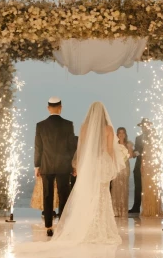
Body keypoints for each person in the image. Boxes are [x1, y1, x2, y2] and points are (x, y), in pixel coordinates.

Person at [49, 102, 124, 245]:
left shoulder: (84, 127)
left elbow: (81, 148)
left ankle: (85, 227)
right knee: (102, 194)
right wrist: (111, 166)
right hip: (102, 164)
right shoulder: (108, 129)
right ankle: (101, 228)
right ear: (103, 114)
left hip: (89, 165)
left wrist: (79, 165)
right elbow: (109, 150)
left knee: (88, 194)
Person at [34, 97, 76, 236]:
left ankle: (48, 226)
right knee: (64, 195)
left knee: (47, 195)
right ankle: (62, 225)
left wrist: (37, 166)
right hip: (63, 165)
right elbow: (72, 147)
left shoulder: (40, 125)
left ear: (48, 108)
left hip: (46, 164)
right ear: (60, 107)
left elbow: (38, 148)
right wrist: (74, 165)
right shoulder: (68, 124)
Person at [110, 127, 133, 217]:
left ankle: (123, 210)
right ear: (117, 134)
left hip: (125, 167)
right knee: (115, 187)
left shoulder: (128, 144)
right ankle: (115, 210)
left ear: (125, 134)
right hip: (117, 167)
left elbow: (130, 156)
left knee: (124, 187)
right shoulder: (114, 144)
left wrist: (130, 149)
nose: (121, 134)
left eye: (123, 132)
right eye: (119, 132)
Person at [140, 119, 159, 217]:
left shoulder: (156, 141)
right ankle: (147, 209)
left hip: (154, 165)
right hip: (146, 164)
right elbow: (143, 154)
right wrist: (142, 165)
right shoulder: (144, 141)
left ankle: (154, 209)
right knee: (146, 187)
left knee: (154, 187)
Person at [129, 119, 145, 214]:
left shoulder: (154, 137)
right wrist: (133, 152)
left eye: (145, 125)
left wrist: (139, 153)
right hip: (138, 165)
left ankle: (148, 207)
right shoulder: (138, 138)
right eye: (142, 126)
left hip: (149, 165)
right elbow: (137, 150)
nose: (143, 127)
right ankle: (136, 207)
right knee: (138, 187)